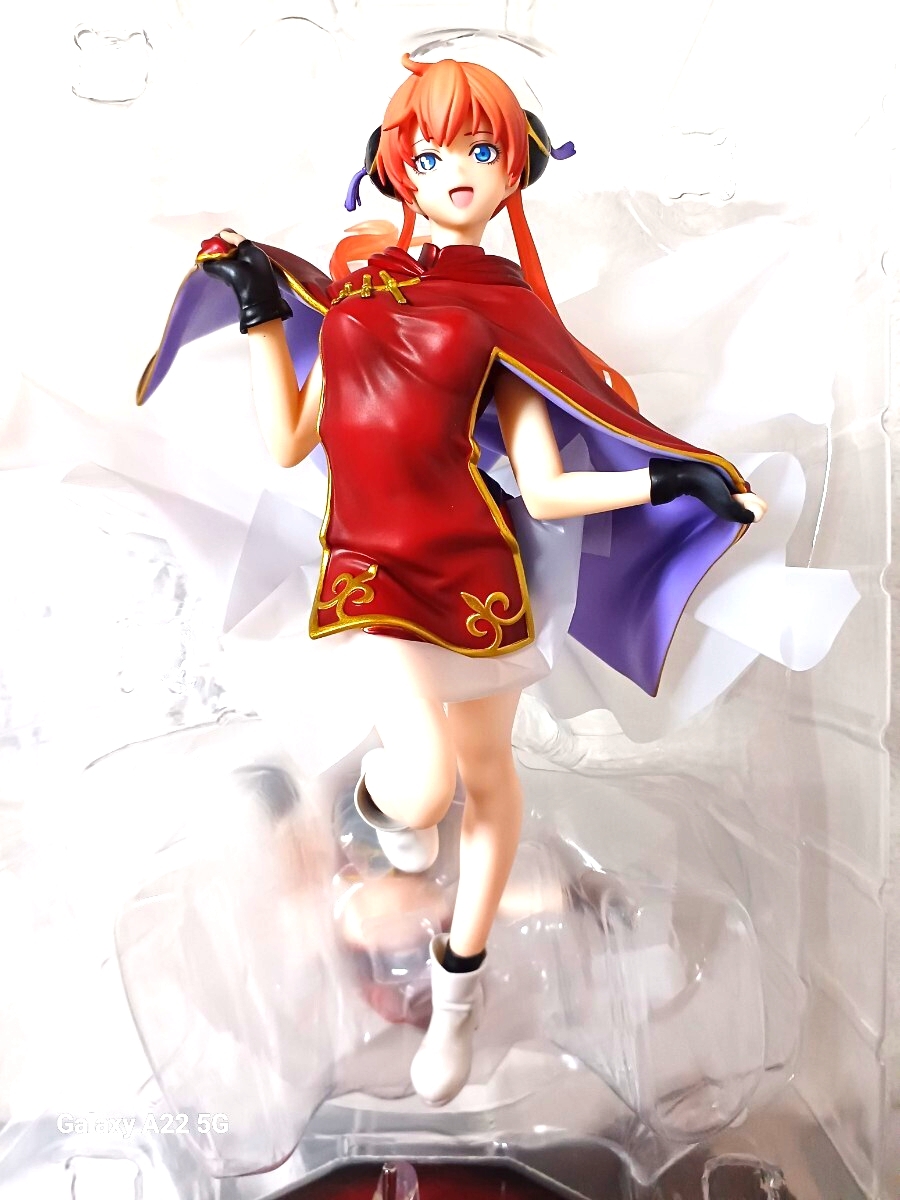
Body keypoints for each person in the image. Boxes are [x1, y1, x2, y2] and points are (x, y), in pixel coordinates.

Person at [139, 53, 765, 1107]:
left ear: (515, 166)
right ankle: (385, 821)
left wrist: (672, 476)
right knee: (425, 783)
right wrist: (260, 316)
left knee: (490, 783)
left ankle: (458, 998)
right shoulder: (354, 295)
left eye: (483, 150)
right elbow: (290, 441)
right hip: (374, 571)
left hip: (481, 577)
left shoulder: (509, 313)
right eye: (432, 154)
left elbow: (550, 487)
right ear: (395, 166)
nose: (459, 172)